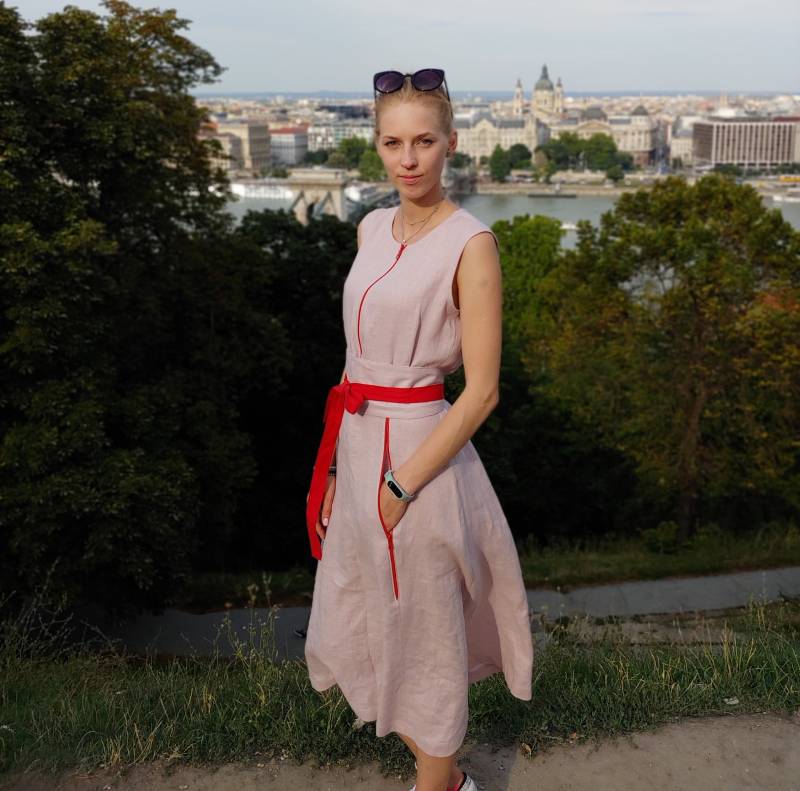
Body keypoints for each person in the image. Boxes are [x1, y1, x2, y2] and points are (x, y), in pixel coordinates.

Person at [303, 68, 533, 791]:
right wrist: (343, 470)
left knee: (426, 633)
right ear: (376, 145)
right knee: (363, 619)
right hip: (359, 442)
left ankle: (439, 782)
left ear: (451, 144)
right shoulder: (372, 225)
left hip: (421, 459)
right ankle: (452, 779)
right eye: (393, 142)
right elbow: (354, 353)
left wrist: (403, 481)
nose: (409, 158)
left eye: (424, 141)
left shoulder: (473, 244)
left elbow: (484, 389)